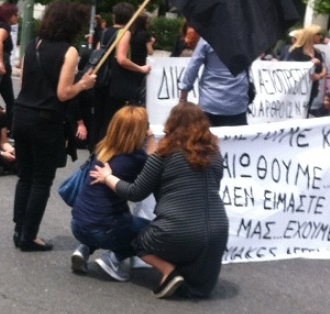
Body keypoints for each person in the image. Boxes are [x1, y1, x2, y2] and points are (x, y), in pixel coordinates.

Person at [89, 102, 229, 299]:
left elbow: (135, 192)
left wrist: (108, 178)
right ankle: (179, 271)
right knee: (198, 290)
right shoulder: (215, 156)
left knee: (137, 239)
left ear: (171, 124)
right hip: (218, 231)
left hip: (178, 231)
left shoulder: (163, 155)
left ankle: (168, 270)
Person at [12, 0, 97, 251]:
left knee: (24, 177)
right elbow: (63, 93)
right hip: (46, 121)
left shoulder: (32, 44)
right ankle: (30, 235)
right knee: (41, 180)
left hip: (22, 114)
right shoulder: (69, 52)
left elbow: (24, 79)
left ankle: (19, 229)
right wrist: (83, 84)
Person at [70, 105, 152, 280]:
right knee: (151, 230)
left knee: (109, 214)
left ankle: (83, 248)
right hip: (103, 229)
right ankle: (113, 259)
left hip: (77, 224)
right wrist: (151, 142)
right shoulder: (136, 159)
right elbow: (152, 174)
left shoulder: (103, 149)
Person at [93, 2, 152, 143]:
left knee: (100, 119)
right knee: (113, 119)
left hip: (102, 81)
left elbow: (97, 52)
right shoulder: (124, 33)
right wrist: (140, 68)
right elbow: (121, 59)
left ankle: (95, 150)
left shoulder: (105, 32)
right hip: (116, 83)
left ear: (114, 17)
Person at [179, 36, 250, 126]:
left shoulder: (207, 37)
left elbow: (193, 66)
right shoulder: (245, 38)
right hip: (238, 103)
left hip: (210, 102)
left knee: (206, 139)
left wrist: (183, 97)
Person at [285, 25, 326, 114]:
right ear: (311, 35)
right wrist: (310, 63)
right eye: (318, 34)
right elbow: (291, 68)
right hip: (297, 90)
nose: (320, 37)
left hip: (312, 88)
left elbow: (324, 69)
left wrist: (319, 76)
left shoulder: (317, 52)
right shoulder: (296, 50)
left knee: (305, 112)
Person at [0, 2, 19, 123]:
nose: (17, 17)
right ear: (9, 15)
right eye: (15, 15)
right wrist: (1, 62)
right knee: (9, 100)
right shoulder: (5, 27)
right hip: (1, 68)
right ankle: (9, 127)